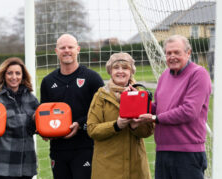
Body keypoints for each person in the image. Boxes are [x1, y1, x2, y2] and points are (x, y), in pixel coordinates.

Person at [139, 35, 211, 179]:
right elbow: (157, 107)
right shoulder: (164, 75)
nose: (172, 57)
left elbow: (189, 111)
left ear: (188, 53)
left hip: (188, 154)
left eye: (177, 52)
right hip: (163, 152)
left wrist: (155, 118)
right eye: (168, 53)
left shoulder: (199, 74)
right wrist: (135, 100)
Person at [40, 34, 104, 179]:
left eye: (70, 47)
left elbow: (101, 112)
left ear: (78, 49)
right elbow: (44, 113)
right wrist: (43, 130)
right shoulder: (48, 81)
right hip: (58, 150)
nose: (66, 50)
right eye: (62, 47)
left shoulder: (92, 78)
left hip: (85, 148)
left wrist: (80, 124)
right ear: (56, 51)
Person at [87, 52, 154, 179]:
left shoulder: (140, 95)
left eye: (125, 68)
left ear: (131, 71)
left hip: (136, 167)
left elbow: (148, 132)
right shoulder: (101, 96)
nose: (120, 71)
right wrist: (116, 126)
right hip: (107, 168)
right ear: (110, 71)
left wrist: (135, 126)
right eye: (116, 67)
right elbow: (92, 129)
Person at [0, 57, 39, 179]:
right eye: (10, 73)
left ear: (23, 76)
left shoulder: (31, 99)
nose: (14, 77)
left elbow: (36, 127)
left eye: (18, 73)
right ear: (3, 75)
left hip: (25, 166)